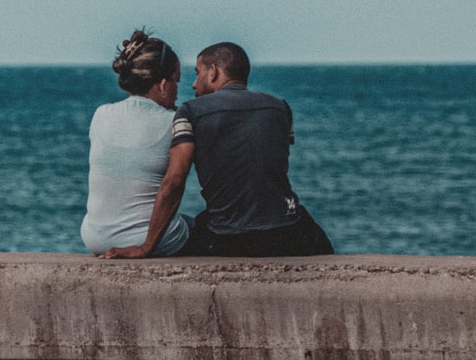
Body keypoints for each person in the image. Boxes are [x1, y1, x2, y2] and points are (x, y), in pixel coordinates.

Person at [102, 41, 332, 259]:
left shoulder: (191, 112)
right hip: (285, 231)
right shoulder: (280, 108)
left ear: (213, 72)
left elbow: (174, 180)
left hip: (227, 237)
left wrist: (146, 247)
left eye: (197, 72)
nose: (193, 84)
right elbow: (271, 165)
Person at [80, 30, 192, 257]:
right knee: (197, 227)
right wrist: (146, 247)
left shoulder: (101, 114)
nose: (178, 89)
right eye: (176, 81)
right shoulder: (173, 122)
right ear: (162, 84)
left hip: (93, 237)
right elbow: (173, 184)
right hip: (144, 240)